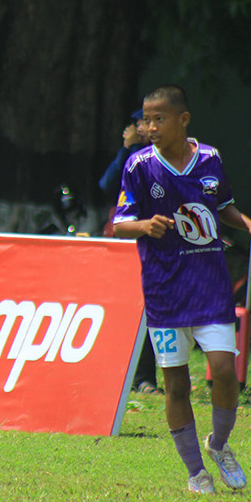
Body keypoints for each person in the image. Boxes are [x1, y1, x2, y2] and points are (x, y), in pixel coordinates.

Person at [112, 84, 251, 494]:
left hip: (209, 285)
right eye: (146, 120)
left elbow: (223, 206)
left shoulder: (210, 158)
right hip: (165, 291)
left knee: (224, 370)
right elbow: (119, 224)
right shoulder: (139, 165)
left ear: (183, 120)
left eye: (159, 119)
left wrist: (249, 224)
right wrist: (145, 225)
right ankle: (196, 473)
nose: (149, 127)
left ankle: (218, 445)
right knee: (176, 385)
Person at [98, 109, 159, 394]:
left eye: (144, 123)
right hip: (121, 243)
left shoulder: (158, 156)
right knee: (117, 308)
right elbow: (108, 184)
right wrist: (126, 149)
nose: (139, 129)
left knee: (146, 311)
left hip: (149, 244)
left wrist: (134, 148)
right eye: (136, 124)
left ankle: (144, 378)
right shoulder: (131, 154)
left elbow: (142, 184)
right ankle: (113, 373)